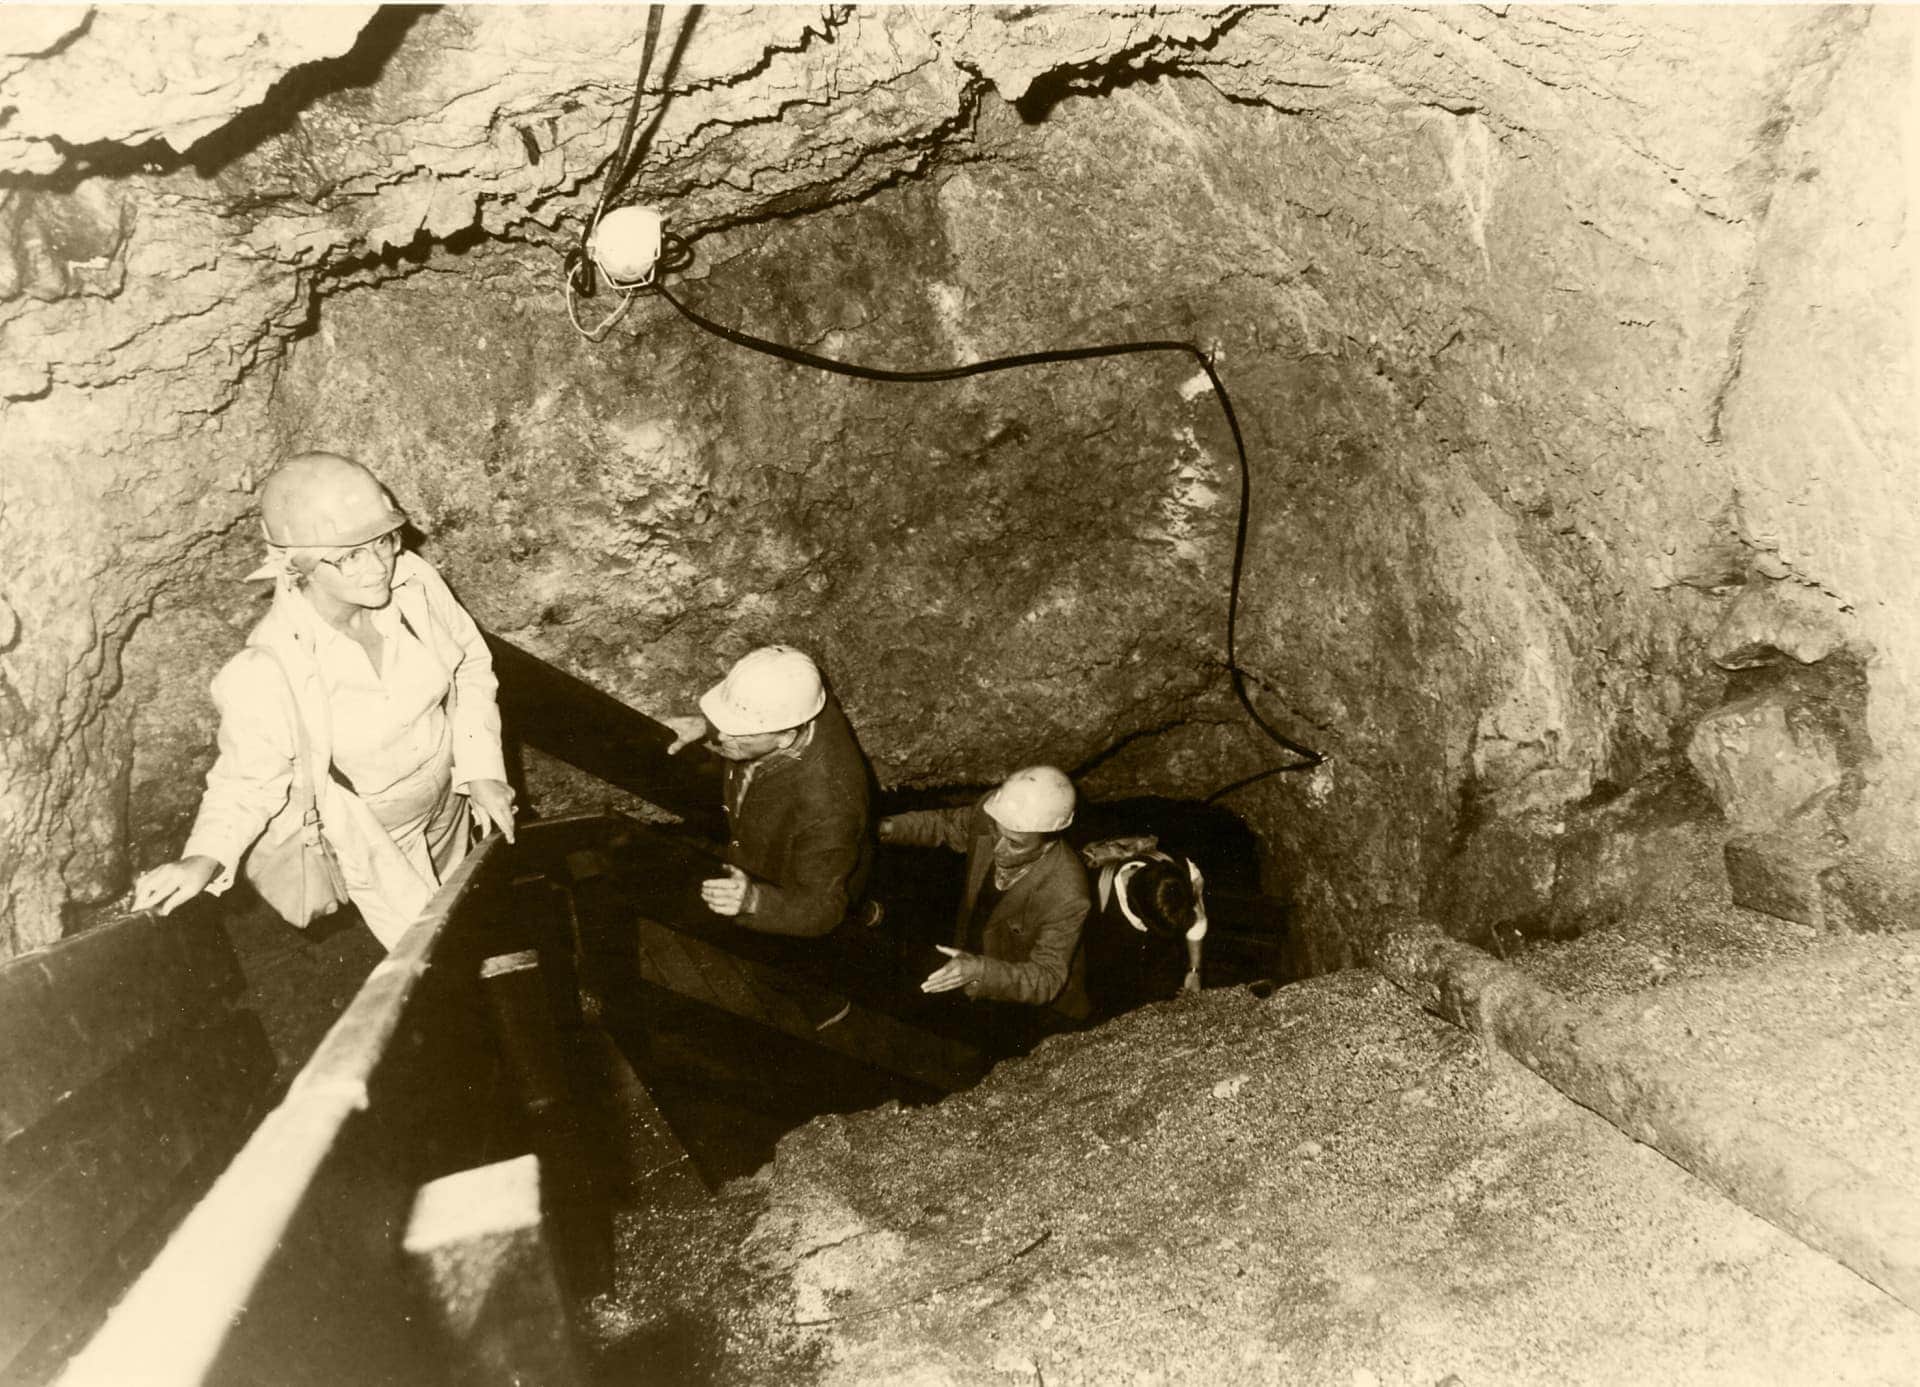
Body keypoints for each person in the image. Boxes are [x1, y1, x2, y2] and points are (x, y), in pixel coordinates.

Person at [131, 452, 515, 947]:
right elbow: (246, 783)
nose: (379, 565)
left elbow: (470, 667)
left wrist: (481, 769)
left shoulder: (413, 581)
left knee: (470, 902)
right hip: (379, 837)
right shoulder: (267, 670)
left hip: (451, 801)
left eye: (383, 540)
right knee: (438, 955)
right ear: (295, 564)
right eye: (350, 554)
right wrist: (202, 857)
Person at [662, 645, 875, 942]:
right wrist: (705, 726)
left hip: (794, 881)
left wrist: (754, 901)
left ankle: (867, 914)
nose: (721, 737)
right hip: (761, 845)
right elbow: (751, 719)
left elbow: (823, 908)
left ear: (786, 738)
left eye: (738, 731)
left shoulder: (829, 806)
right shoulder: (791, 695)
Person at [878, 765, 1091, 1051]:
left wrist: (979, 970)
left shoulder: (1067, 892)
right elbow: (948, 824)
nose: (998, 848)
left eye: (1015, 845)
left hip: (1035, 1004)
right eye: (996, 833)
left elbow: (1048, 978)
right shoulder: (995, 813)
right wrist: (886, 828)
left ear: (1048, 843)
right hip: (977, 953)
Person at [1079, 835, 1208, 1021]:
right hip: (1112, 967)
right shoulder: (1092, 893)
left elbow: (1198, 922)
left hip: (1159, 962)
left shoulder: (1185, 873)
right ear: (1140, 917)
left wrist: (1194, 971)